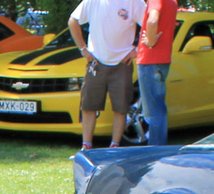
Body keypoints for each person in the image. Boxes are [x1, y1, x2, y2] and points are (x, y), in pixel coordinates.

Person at [68, 0, 144, 149]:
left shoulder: (135, 2)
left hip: (123, 63)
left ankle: (114, 146)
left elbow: (149, 24)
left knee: (121, 107)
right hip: (96, 62)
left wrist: (137, 49)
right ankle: (86, 145)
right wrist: (83, 49)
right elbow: (73, 21)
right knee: (89, 105)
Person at [135, 0, 175, 146]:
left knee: (153, 113)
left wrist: (150, 42)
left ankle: (155, 152)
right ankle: (160, 149)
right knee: (159, 109)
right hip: (163, 61)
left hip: (149, 62)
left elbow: (152, 21)